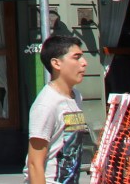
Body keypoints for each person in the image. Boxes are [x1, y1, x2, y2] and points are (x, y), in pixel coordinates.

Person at [25, 35, 89, 184]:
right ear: (56, 63)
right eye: (76, 57)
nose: (84, 63)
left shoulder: (77, 96)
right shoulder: (46, 104)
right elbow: (34, 164)